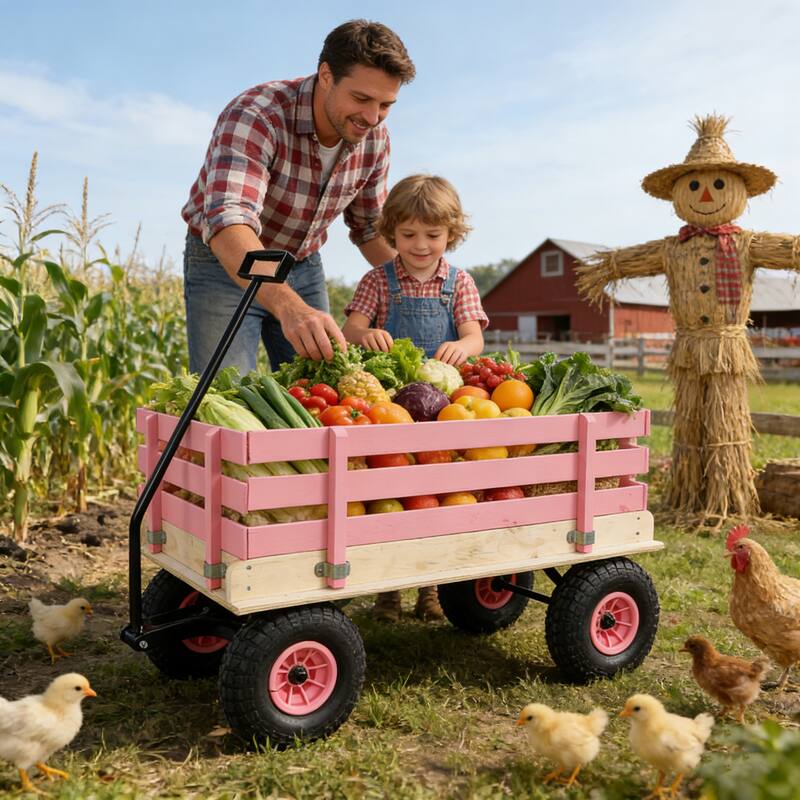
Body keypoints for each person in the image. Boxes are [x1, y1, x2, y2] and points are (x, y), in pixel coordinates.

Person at [181, 20, 415, 375]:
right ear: (325, 76)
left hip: (302, 264)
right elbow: (230, 220)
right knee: (227, 395)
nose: (372, 117)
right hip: (225, 263)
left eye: (385, 104)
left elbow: (369, 228)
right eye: (361, 98)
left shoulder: (375, 138)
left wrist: (418, 286)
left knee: (325, 386)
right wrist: (291, 308)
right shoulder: (257, 114)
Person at [343, 174, 488, 622]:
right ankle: (388, 591)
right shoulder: (378, 280)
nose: (420, 245)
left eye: (433, 235)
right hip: (389, 407)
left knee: (434, 497)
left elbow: (475, 336)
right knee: (390, 495)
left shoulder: (459, 283)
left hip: (443, 411)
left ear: (451, 233)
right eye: (408, 234)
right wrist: (367, 335)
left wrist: (463, 348)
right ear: (392, 233)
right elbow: (350, 331)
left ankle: (431, 588)